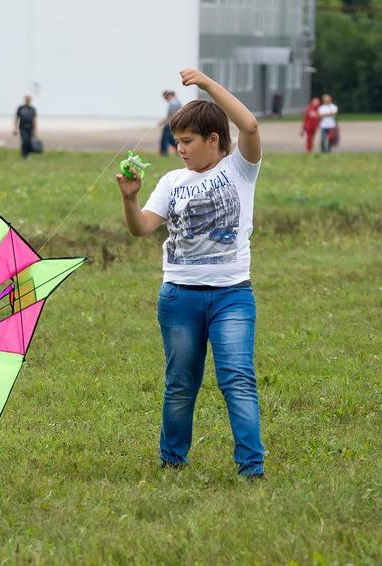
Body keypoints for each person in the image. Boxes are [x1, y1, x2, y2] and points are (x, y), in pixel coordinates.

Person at [115, 68, 265, 479]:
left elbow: (250, 125)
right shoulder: (171, 181)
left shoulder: (240, 169)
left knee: (237, 379)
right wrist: (129, 200)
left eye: (187, 141)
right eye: (177, 141)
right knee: (180, 383)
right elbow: (142, 227)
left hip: (232, 295)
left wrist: (208, 85)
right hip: (179, 296)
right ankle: (172, 460)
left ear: (213, 140)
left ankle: (251, 467)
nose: (179, 149)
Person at [159, 90, 181, 156]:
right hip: (172, 123)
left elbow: (172, 115)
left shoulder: (173, 103)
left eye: (165, 97)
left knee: (165, 138)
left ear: (169, 96)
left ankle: (163, 152)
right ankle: (178, 149)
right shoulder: (175, 102)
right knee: (171, 139)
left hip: (170, 124)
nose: (165, 99)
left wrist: (165, 122)